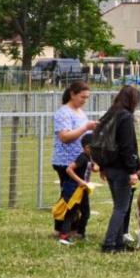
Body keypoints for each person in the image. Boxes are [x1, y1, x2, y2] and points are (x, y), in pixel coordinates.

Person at [97, 85, 140, 253]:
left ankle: (119, 243)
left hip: (109, 166)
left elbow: (102, 143)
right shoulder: (125, 117)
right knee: (121, 207)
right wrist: (132, 170)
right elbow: (127, 147)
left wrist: (102, 165)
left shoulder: (109, 114)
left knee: (119, 205)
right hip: (122, 168)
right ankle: (109, 244)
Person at [52, 81, 97, 235]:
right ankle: (62, 228)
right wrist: (85, 127)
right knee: (69, 197)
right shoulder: (63, 112)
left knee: (77, 197)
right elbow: (64, 137)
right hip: (66, 162)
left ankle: (72, 227)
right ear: (72, 94)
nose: (84, 100)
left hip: (80, 161)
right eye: (82, 97)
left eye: (87, 98)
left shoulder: (80, 112)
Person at [52, 133, 96, 245]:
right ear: (87, 147)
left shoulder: (90, 157)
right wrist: (80, 181)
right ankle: (64, 236)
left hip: (84, 190)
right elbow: (69, 169)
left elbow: (93, 168)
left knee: (86, 213)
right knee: (71, 213)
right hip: (75, 191)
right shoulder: (82, 157)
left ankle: (80, 233)